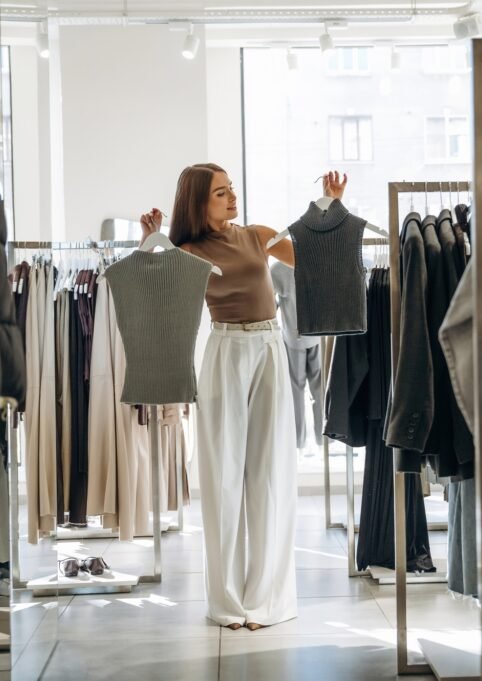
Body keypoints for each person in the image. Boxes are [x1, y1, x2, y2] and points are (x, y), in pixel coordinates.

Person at [139, 164, 347, 631]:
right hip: (225, 352)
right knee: (224, 478)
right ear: (198, 202)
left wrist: (329, 205)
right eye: (220, 193)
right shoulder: (187, 250)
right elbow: (155, 293)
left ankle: (266, 602)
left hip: (270, 347)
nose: (232, 197)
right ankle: (229, 603)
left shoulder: (259, 235)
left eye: (231, 190)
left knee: (271, 474)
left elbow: (313, 257)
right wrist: (151, 239)